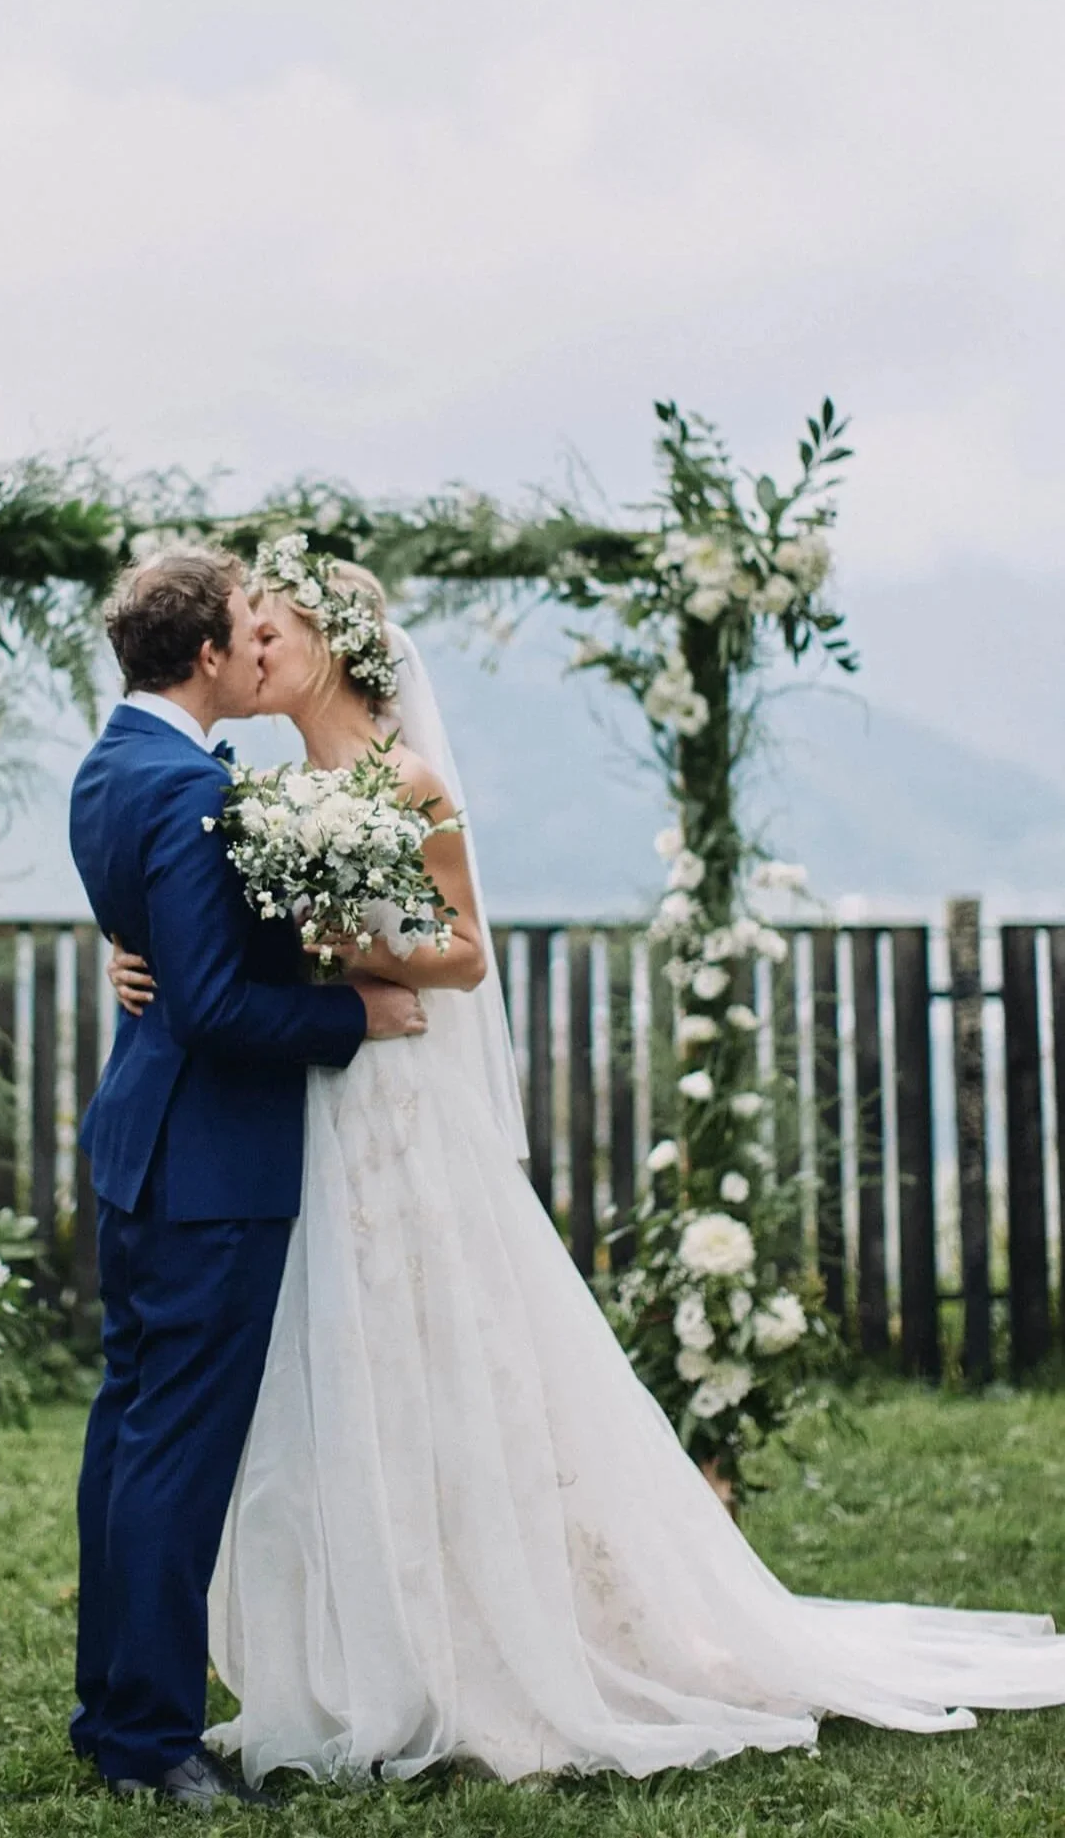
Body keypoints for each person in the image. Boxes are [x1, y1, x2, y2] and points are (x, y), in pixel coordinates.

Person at [108, 552, 1065, 1788]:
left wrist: (354, 952)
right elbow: (202, 936)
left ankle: (489, 1642)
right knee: (334, 1355)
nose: (254, 649)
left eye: (273, 629)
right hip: (311, 1110)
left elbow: (464, 958)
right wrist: (134, 961)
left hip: (399, 1098)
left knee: (440, 1342)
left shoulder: (406, 779)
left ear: (331, 643)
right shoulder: (271, 792)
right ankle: (361, 1646)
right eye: (247, 632)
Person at [67, 544, 427, 1809]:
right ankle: (150, 1740)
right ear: (210, 653)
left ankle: (108, 1707)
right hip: (208, 1169)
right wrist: (352, 1021)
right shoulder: (189, 792)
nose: (257, 642)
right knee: (172, 1452)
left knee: (126, 1438)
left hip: (139, 1154)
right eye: (244, 627)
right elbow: (215, 1009)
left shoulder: (111, 766)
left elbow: (160, 947)